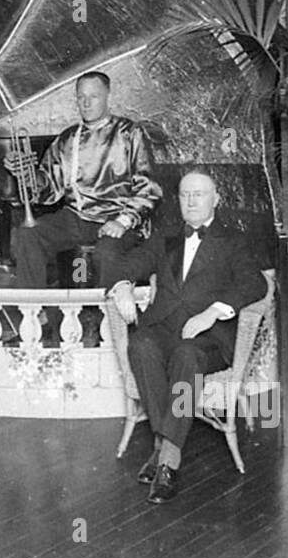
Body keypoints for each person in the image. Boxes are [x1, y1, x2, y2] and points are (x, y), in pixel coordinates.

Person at [108, 169, 267, 504]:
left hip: (207, 340)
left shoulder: (233, 241)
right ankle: (167, 443)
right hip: (164, 328)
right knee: (140, 344)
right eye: (185, 194)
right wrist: (122, 285)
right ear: (178, 200)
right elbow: (126, 263)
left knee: (186, 355)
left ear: (216, 200)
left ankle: (167, 459)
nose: (192, 200)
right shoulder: (164, 238)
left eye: (200, 194)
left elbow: (256, 283)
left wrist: (212, 312)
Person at [4, 71, 162, 292]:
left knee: (105, 254)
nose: (86, 103)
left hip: (116, 218)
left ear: (108, 97)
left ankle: (109, 322)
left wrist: (123, 221)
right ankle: (33, 313)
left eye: (94, 97)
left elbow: (150, 189)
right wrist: (27, 174)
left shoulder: (130, 132)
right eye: (81, 97)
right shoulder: (68, 138)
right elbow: (50, 190)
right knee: (29, 235)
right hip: (76, 217)